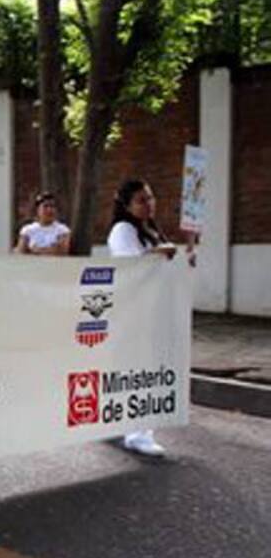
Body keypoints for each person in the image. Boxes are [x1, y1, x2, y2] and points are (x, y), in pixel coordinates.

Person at [107, 178, 178, 458]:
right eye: (141, 200)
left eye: (150, 198)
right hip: (131, 311)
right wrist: (156, 253)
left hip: (149, 309)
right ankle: (138, 433)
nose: (149, 204)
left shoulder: (149, 229)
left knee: (138, 368)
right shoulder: (123, 230)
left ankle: (119, 422)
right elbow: (131, 265)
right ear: (126, 205)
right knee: (140, 370)